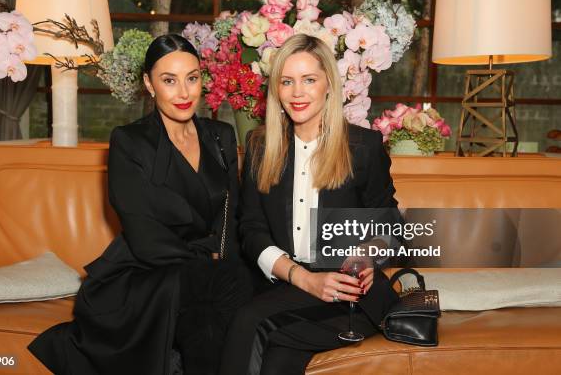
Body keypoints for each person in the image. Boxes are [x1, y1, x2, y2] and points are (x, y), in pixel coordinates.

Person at [28, 34, 252, 375]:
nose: (184, 92)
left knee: (223, 303)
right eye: (169, 80)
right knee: (219, 287)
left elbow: (231, 217)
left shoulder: (220, 136)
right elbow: (145, 238)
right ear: (149, 84)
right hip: (145, 274)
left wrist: (227, 263)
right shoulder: (129, 141)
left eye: (192, 78)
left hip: (210, 277)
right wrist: (212, 265)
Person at [218, 34, 404, 375]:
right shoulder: (260, 145)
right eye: (287, 81)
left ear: (329, 85)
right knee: (273, 354)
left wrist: (366, 255)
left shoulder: (363, 146)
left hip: (349, 296)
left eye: (309, 80)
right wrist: (300, 277)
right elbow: (251, 228)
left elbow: (389, 225)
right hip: (286, 284)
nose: (297, 92)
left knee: (249, 324)